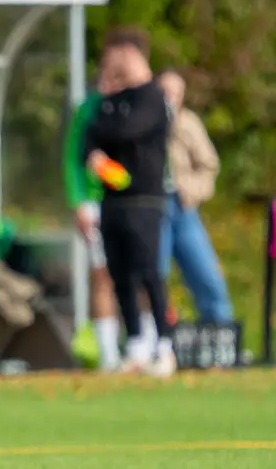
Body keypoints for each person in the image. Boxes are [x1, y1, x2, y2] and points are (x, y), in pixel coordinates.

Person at [83, 26, 175, 377]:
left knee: (149, 271)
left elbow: (123, 130)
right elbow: (90, 135)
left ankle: (164, 345)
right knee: (120, 272)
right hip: (113, 199)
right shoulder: (110, 99)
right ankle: (135, 341)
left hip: (145, 198)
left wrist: (106, 125)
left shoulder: (152, 97)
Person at [64, 71, 159, 370]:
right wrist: (78, 201)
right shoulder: (90, 109)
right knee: (105, 275)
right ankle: (109, 355)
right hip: (97, 203)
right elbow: (73, 157)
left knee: (143, 273)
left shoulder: (141, 106)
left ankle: (148, 347)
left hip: (131, 203)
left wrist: (125, 181)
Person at [156, 69, 235, 324]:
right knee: (154, 276)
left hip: (183, 208)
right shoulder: (142, 122)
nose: (170, 98)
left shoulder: (188, 123)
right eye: (164, 92)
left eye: (175, 93)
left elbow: (209, 165)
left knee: (207, 277)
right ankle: (155, 339)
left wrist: (188, 189)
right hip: (153, 209)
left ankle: (221, 336)